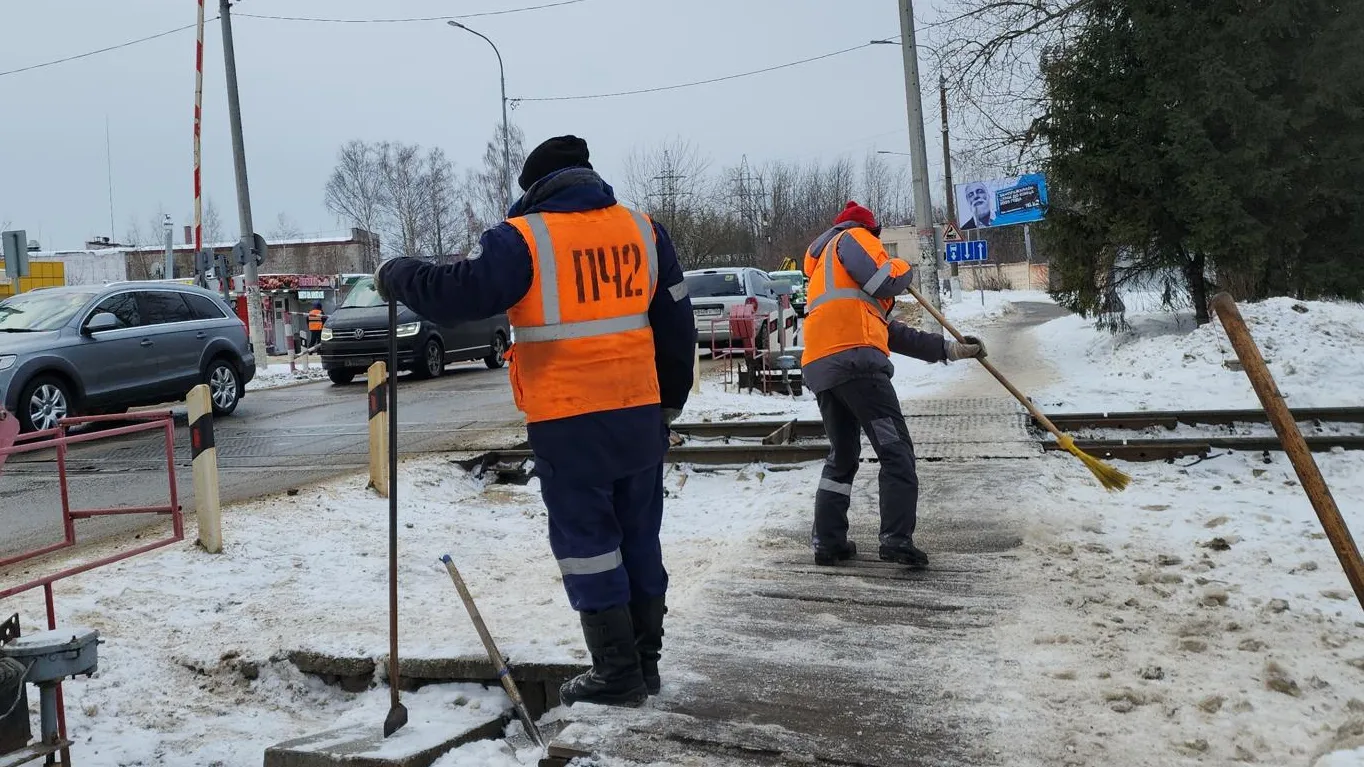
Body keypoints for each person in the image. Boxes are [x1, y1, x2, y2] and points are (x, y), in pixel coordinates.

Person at [373, 135, 696, 708]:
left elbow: (459, 294)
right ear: (588, 176)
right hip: (639, 412)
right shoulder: (644, 230)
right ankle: (643, 666)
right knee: (640, 536)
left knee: (589, 543)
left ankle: (617, 671)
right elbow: (675, 321)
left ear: (535, 189)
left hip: (570, 420)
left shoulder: (524, 239)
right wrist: (668, 401)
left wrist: (399, 274)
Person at [801, 201, 986, 570]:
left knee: (843, 457)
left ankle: (829, 542)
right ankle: (896, 539)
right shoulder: (854, 237)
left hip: (824, 370)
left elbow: (890, 332)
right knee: (895, 451)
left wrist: (951, 349)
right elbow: (887, 277)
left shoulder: (826, 271)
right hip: (857, 367)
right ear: (872, 232)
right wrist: (904, 267)